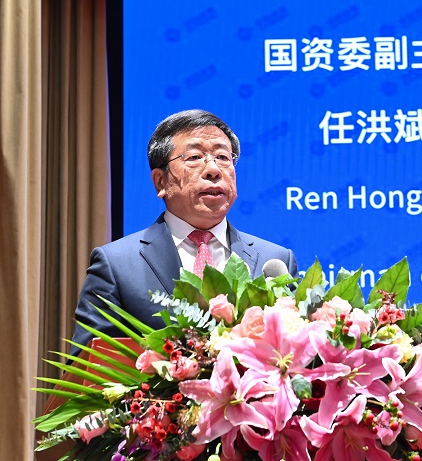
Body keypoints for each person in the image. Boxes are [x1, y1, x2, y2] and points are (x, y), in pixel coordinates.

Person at [70, 109, 298, 352]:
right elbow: (87, 363)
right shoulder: (117, 265)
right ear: (160, 181)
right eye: (194, 157)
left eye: (223, 157)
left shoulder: (275, 261)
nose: (213, 169)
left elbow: (299, 353)